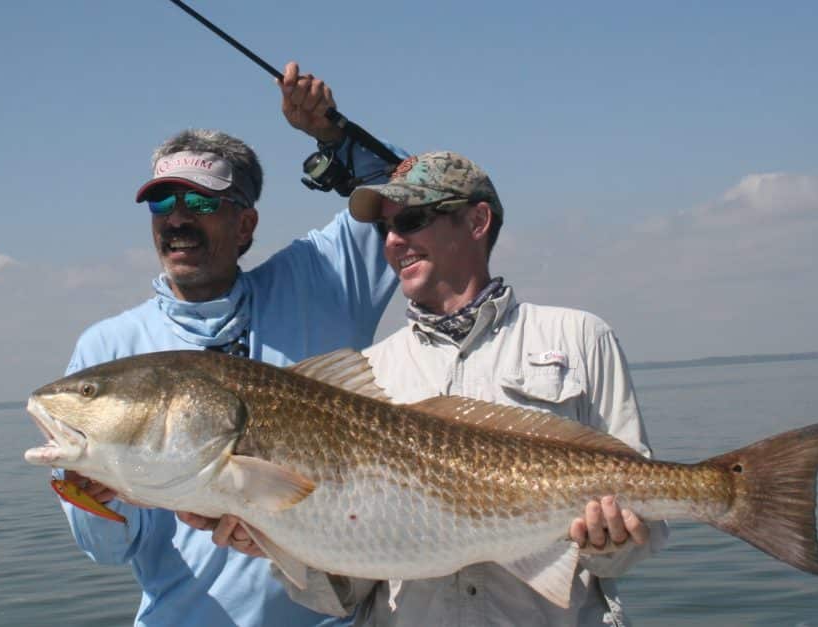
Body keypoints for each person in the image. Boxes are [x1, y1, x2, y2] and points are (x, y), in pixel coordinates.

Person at [196, 151, 670, 625]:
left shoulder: (581, 337)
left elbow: (643, 523)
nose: (393, 241)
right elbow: (346, 592)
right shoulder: (370, 374)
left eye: (412, 219)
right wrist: (280, 542)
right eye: (385, 229)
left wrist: (611, 545)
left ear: (477, 220)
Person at [55, 62, 402, 626]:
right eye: (162, 204)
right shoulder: (109, 351)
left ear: (246, 224)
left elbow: (410, 198)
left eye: (201, 203)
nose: (178, 221)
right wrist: (88, 490)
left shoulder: (319, 282)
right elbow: (107, 550)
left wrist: (333, 135)